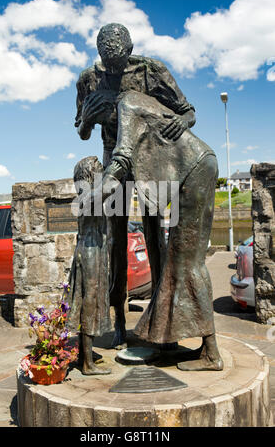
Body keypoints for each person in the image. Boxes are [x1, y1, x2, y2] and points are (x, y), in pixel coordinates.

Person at [75, 23, 196, 349]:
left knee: (157, 241)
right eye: (107, 63)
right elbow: (81, 131)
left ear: (129, 52)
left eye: (118, 63)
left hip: (152, 164)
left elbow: (188, 113)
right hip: (114, 167)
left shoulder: (151, 70)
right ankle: (119, 323)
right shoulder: (88, 79)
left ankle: (162, 323)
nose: (112, 70)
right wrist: (87, 118)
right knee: (114, 245)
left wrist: (177, 125)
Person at [85, 89, 224, 371]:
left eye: (103, 122)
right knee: (182, 262)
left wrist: (93, 197)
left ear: (105, 110)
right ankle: (174, 336)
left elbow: (121, 159)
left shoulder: (125, 105)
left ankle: (211, 354)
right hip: (199, 166)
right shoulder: (137, 101)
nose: (108, 130)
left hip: (193, 171)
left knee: (187, 263)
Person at [66, 156, 111, 375]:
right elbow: (111, 186)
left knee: (88, 301)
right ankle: (87, 364)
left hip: (94, 252)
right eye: (99, 171)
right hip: (91, 253)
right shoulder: (89, 196)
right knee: (89, 302)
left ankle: (85, 354)